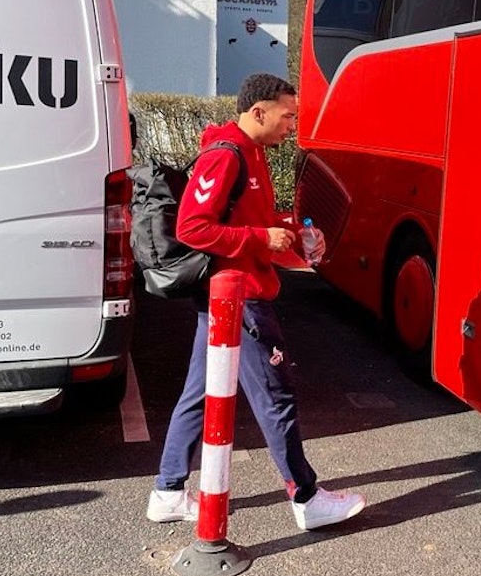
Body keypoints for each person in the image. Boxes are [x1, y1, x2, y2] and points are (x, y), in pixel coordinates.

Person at [145, 72, 366, 531]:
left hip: (230, 297)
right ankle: (306, 498)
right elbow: (192, 227)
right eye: (288, 116)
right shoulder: (227, 155)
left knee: (201, 394)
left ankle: (167, 492)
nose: (292, 126)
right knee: (276, 396)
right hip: (239, 298)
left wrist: (294, 239)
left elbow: (258, 227)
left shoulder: (252, 153)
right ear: (258, 112)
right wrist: (261, 236)